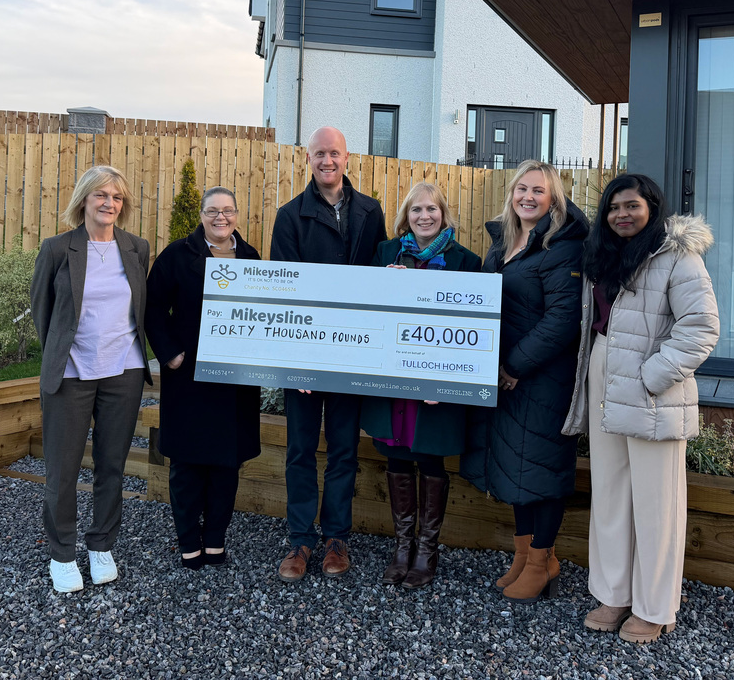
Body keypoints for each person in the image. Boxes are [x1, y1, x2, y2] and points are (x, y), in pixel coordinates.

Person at [565, 173, 719, 643]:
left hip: (654, 390)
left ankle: (655, 606)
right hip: (605, 380)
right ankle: (614, 593)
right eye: (614, 207)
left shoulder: (677, 256)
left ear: (652, 206)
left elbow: (701, 326)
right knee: (610, 496)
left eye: (631, 206)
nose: (621, 215)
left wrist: (653, 376)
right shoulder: (603, 256)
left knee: (657, 506)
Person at [460, 160, 588, 604]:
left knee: (544, 468)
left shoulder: (562, 246)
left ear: (554, 198)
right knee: (515, 466)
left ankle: (542, 561)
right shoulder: (503, 243)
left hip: (541, 377)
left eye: (539, 190)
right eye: (521, 189)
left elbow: (563, 319)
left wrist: (512, 366)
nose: (528, 197)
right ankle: (523, 555)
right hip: (505, 376)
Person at [269, 126, 387, 581]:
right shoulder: (289, 216)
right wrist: (297, 358)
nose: (327, 161)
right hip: (305, 357)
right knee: (299, 449)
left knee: (343, 450)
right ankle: (300, 540)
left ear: (346, 156)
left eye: (334, 153)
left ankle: (336, 537)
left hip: (352, 353)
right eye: (319, 154)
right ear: (308, 159)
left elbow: (375, 279)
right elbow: (285, 292)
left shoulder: (369, 212)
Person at [30, 165, 152, 593]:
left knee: (112, 464)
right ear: (83, 199)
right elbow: (44, 313)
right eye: (101, 195)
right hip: (71, 373)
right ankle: (62, 553)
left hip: (125, 369)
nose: (109, 204)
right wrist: (61, 353)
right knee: (62, 469)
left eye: (116, 197)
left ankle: (102, 543)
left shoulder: (136, 248)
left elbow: (139, 308)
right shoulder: (59, 248)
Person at [360, 182, 482, 589]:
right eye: (416, 210)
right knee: (395, 456)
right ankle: (402, 547)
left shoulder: (466, 262)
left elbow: (474, 330)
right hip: (394, 381)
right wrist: (383, 283)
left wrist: (448, 383)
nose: (424, 216)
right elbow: (363, 309)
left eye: (432, 209)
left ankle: (427, 551)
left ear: (444, 214)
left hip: (435, 384)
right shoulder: (385, 254)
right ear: (405, 217)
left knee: (430, 458)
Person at [145, 186, 262, 570]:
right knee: (187, 464)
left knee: (226, 466)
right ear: (201, 214)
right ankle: (187, 541)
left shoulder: (251, 257)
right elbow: (153, 307)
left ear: (237, 214)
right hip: (189, 377)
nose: (221, 218)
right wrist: (169, 353)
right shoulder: (178, 255)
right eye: (213, 211)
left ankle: (215, 540)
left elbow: (264, 315)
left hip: (234, 380)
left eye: (228, 210)